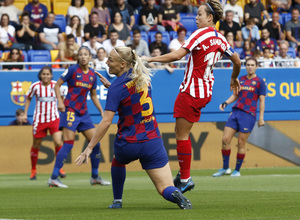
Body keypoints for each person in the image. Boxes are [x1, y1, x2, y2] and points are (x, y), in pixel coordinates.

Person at [75, 46, 192, 210]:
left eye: (110, 60)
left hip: (128, 143)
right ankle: (177, 195)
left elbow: (107, 121)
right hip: (153, 142)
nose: (107, 62)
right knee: (164, 187)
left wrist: (89, 147)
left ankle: (117, 201)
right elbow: (131, 95)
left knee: (117, 161)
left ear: (123, 64)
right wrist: (112, 87)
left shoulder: (117, 87)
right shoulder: (143, 78)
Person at [144, 0, 241, 193]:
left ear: (210, 17)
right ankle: (183, 175)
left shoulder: (199, 34)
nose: (195, 18)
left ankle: (185, 178)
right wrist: (234, 77)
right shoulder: (220, 38)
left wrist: (149, 58)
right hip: (205, 93)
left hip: (191, 91)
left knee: (181, 135)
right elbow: (237, 60)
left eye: (199, 14)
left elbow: (177, 56)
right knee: (182, 133)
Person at [48, 46, 110, 188]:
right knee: (68, 144)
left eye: (85, 54)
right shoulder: (72, 70)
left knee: (95, 143)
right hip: (70, 110)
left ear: (90, 57)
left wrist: (101, 110)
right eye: (81, 54)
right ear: (78, 57)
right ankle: (53, 177)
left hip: (84, 113)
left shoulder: (93, 75)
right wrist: (60, 101)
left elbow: (93, 95)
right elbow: (57, 85)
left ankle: (95, 177)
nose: (83, 57)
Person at [212, 57, 266, 177]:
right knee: (225, 140)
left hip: (248, 115)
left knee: (241, 143)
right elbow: (235, 95)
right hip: (236, 112)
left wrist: (261, 118)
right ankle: (225, 168)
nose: (250, 67)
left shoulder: (260, 82)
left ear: (256, 67)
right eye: (248, 65)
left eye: (252, 65)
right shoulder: (240, 79)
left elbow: (262, 101)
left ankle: (237, 170)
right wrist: (225, 103)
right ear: (245, 66)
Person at [23, 66, 65, 180]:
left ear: (51, 75)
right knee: (36, 145)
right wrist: (25, 113)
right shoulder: (35, 86)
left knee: (58, 142)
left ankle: (59, 168)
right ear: (40, 75)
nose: (46, 76)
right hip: (39, 119)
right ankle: (33, 170)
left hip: (54, 118)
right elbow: (28, 98)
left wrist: (64, 109)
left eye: (48, 74)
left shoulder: (56, 85)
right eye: (44, 74)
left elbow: (62, 98)